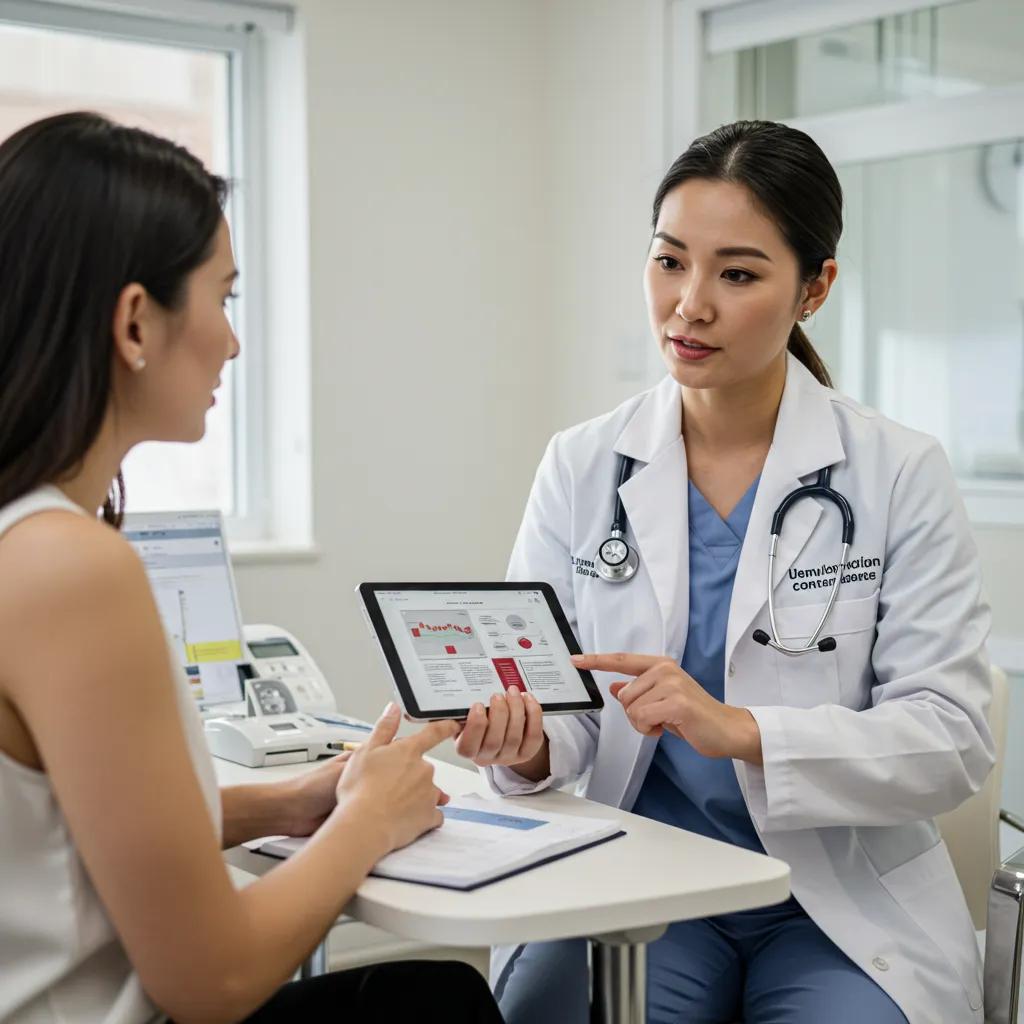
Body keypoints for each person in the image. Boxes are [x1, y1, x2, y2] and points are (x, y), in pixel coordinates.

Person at [454, 120, 994, 1024]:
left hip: (832, 898)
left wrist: (742, 728)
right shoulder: (584, 465)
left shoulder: (898, 472)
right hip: (643, 879)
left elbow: (951, 736)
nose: (688, 304)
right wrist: (528, 743)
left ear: (814, 288)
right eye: (669, 261)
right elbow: (559, 700)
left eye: (737, 274)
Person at [0, 112, 502, 1024]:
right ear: (135, 321)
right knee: (437, 1001)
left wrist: (296, 800)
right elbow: (214, 980)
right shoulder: (70, 569)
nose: (233, 341)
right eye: (223, 299)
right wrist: (366, 824)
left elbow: (69, 835)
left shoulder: (22, 538)